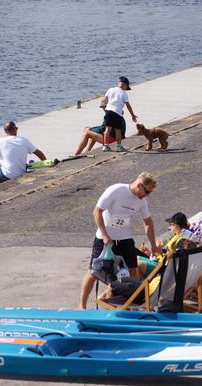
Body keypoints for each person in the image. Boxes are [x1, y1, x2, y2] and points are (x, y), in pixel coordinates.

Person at [79, 172, 160, 309]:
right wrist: (105, 235)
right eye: (146, 192)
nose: (146, 195)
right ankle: (82, 306)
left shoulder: (142, 201)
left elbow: (148, 222)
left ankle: (128, 306)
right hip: (105, 238)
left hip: (125, 238)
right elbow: (97, 212)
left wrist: (153, 245)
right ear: (139, 185)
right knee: (93, 272)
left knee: (133, 271)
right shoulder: (116, 190)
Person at [0, 122, 46, 192]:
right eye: (16, 128)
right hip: (20, 173)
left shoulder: (1, 141)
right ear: (14, 129)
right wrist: (46, 163)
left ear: (5, 131)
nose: (17, 130)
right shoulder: (24, 140)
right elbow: (39, 153)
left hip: (7, 174)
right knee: (0, 164)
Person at [102, 77, 137, 152]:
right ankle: (119, 146)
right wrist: (132, 115)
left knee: (107, 129)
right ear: (125, 85)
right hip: (117, 112)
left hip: (109, 111)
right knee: (118, 130)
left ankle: (105, 146)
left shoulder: (110, 89)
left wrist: (106, 103)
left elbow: (104, 100)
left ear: (118, 83)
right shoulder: (124, 93)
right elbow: (128, 106)